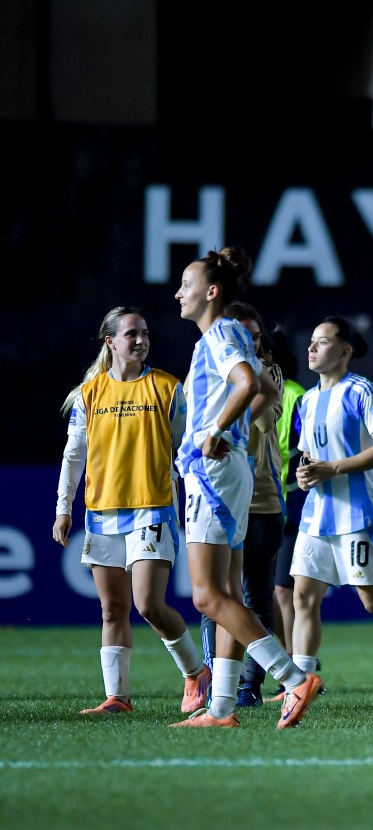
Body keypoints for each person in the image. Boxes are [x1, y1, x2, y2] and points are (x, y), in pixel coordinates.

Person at [171, 247, 320, 729]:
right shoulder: (225, 333)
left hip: (212, 474)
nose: (179, 292)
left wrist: (217, 431)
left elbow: (244, 383)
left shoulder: (219, 332)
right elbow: (268, 392)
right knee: (228, 591)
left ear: (211, 292)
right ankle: (221, 708)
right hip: (227, 470)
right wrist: (232, 434)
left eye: (186, 284)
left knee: (207, 596)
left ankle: (292, 677)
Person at [53, 306, 209, 715]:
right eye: (131, 335)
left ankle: (196, 672)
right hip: (102, 512)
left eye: (144, 333)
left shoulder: (166, 388)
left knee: (149, 605)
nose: (140, 340)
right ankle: (118, 698)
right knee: (112, 609)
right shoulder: (90, 393)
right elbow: (74, 457)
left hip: (153, 509)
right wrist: (63, 508)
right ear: (111, 342)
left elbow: (186, 447)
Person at [290, 317, 373, 699]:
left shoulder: (363, 391)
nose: (312, 348)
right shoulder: (307, 399)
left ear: (345, 351)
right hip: (317, 514)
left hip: (357, 513)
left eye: (322, 342)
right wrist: (305, 475)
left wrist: (331, 468)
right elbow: (309, 455)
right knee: (303, 596)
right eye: (311, 341)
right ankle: (299, 683)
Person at [195, 301, 285, 708]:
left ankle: (252, 684)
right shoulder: (215, 366)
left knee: (253, 595)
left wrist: (224, 420)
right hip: (222, 490)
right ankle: (218, 690)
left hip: (261, 498)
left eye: (254, 335)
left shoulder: (265, 375)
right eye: (241, 333)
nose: (247, 341)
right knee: (214, 595)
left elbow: (263, 421)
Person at [266, 325, 308, 701]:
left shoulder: (295, 395)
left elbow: (304, 446)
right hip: (261, 498)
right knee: (269, 591)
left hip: (289, 500)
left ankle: (293, 671)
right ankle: (289, 664)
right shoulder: (250, 391)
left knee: (283, 589)